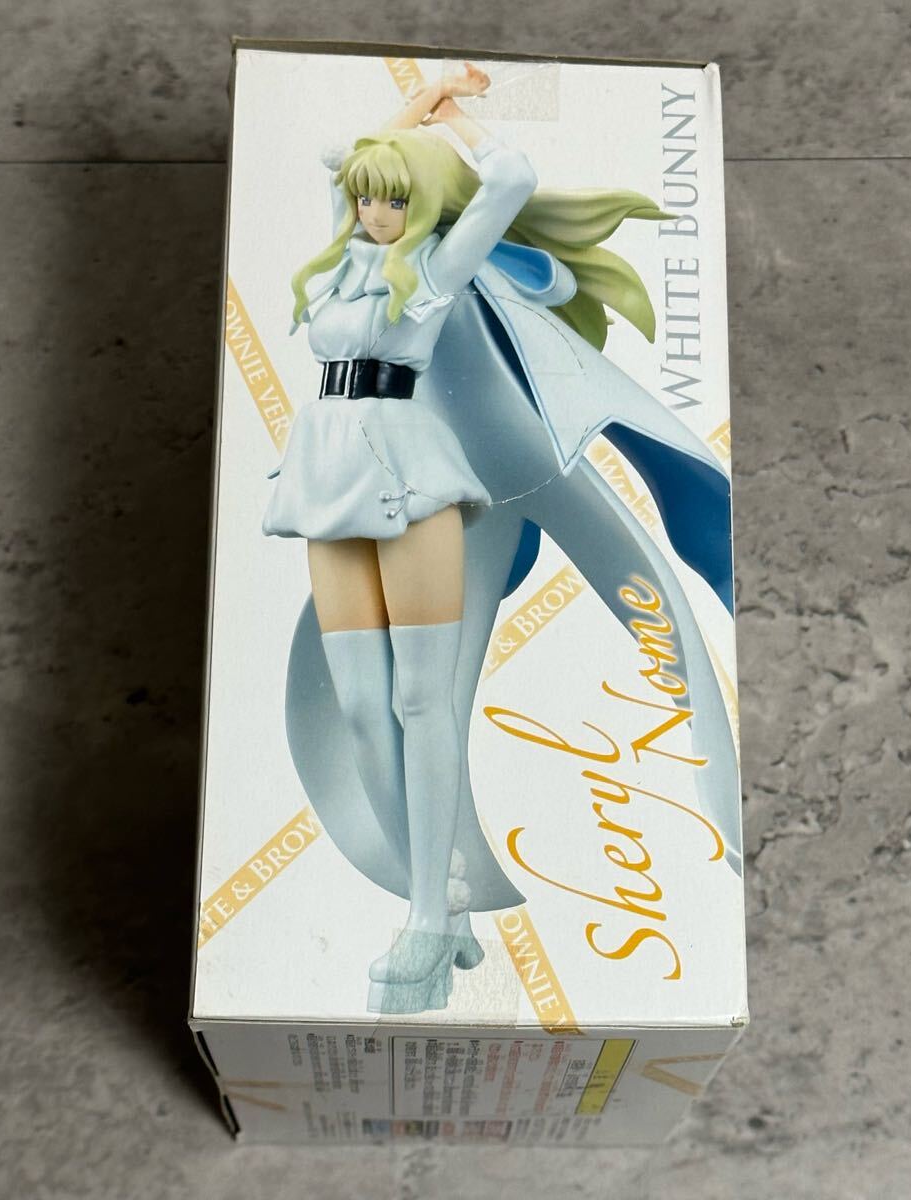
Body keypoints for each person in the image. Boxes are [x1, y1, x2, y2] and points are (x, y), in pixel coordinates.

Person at [265, 64, 739, 1014]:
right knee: (358, 705)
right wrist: (421, 103)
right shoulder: (341, 257)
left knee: (418, 698)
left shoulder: (438, 267)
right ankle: (438, 896)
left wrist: (460, 121)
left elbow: (513, 178)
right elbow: (350, 161)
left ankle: (425, 920)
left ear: (424, 204)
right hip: (324, 474)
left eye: (396, 199)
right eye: (369, 197)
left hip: (410, 472)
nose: (375, 212)